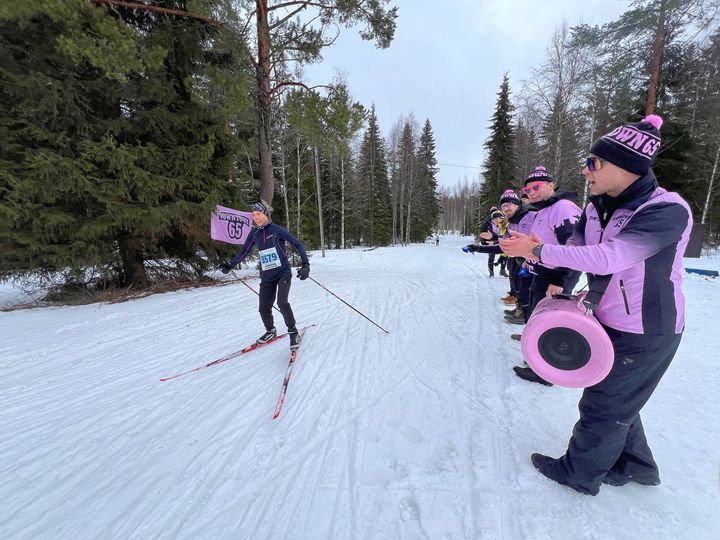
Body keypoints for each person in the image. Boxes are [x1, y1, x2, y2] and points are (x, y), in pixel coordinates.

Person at [499, 114, 693, 496]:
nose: (585, 171)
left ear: (625, 166)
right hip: (609, 317)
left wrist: (536, 248)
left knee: (604, 403)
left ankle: (579, 473)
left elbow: (610, 257)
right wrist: (536, 258)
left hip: (650, 327)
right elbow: (576, 250)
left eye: (593, 163)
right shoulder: (597, 206)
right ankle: (636, 466)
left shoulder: (666, 210)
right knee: (620, 398)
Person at [509, 166, 582, 385]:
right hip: (542, 272)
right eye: (528, 188)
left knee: (547, 323)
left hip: (556, 275)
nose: (532, 191)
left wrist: (560, 279)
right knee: (535, 315)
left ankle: (544, 371)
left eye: (537, 186)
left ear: (551, 185)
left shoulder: (562, 207)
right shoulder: (544, 211)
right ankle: (536, 359)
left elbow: (574, 247)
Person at [219, 201, 310, 350]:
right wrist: (231, 264)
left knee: (282, 303)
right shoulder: (254, 234)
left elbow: (297, 244)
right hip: (267, 276)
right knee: (263, 308)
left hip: (283, 273)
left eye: (259, 214)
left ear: (265, 214)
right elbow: (244, 251)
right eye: (253, 215)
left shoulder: (276, 230)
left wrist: (306, 265)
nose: (256, 217)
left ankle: (293, 332)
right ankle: (270, 331)